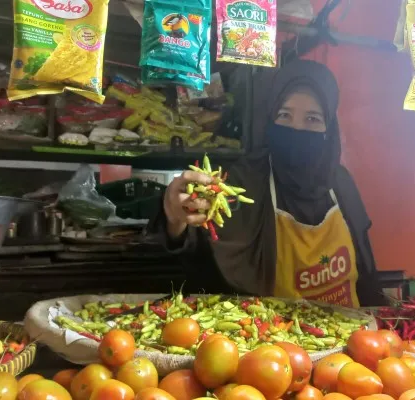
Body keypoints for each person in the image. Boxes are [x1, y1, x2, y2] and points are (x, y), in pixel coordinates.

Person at [156, 60, 384, 307]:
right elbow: (197, 248)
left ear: (329, 128)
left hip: (349, 337)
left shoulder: (340, 181)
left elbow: (365, 269)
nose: (297, 129)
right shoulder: (246, 182)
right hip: (274, 340)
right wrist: (175, 217)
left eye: (312, 119)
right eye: (285, 115)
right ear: (270, 118)